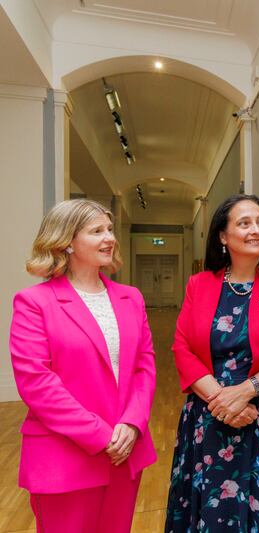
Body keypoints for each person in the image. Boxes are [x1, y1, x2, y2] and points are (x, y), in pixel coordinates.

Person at [165, 194, 259, 532]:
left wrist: (245, 390)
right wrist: (221, 398)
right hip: (209, 410)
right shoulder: (199, 285)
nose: (256, 230)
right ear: (222, 235)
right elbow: (182, 347)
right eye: (244, 223)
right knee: (213, 507)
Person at [9, 199, 157, 533]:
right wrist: (102, 436)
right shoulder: (35, 302)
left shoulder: (130, 297)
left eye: (109, 229)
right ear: (67, 242)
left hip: (126, 450)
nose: (110, 238)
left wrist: (133, 424)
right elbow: (37, 383)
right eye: (96, 231)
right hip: (66, 456)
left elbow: (144, 367)